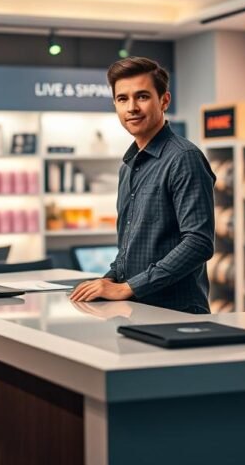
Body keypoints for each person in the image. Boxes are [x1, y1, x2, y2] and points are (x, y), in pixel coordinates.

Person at [69, 57, 215, 314]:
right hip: (135, 311)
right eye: (122, 99)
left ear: (164, 100)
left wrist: (128, 288)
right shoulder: (128, 166)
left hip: (175, 313)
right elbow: (130, 247)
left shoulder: (184, 158)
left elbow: (198, 243)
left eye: (142, 96)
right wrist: (109, 280)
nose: (132, 107)